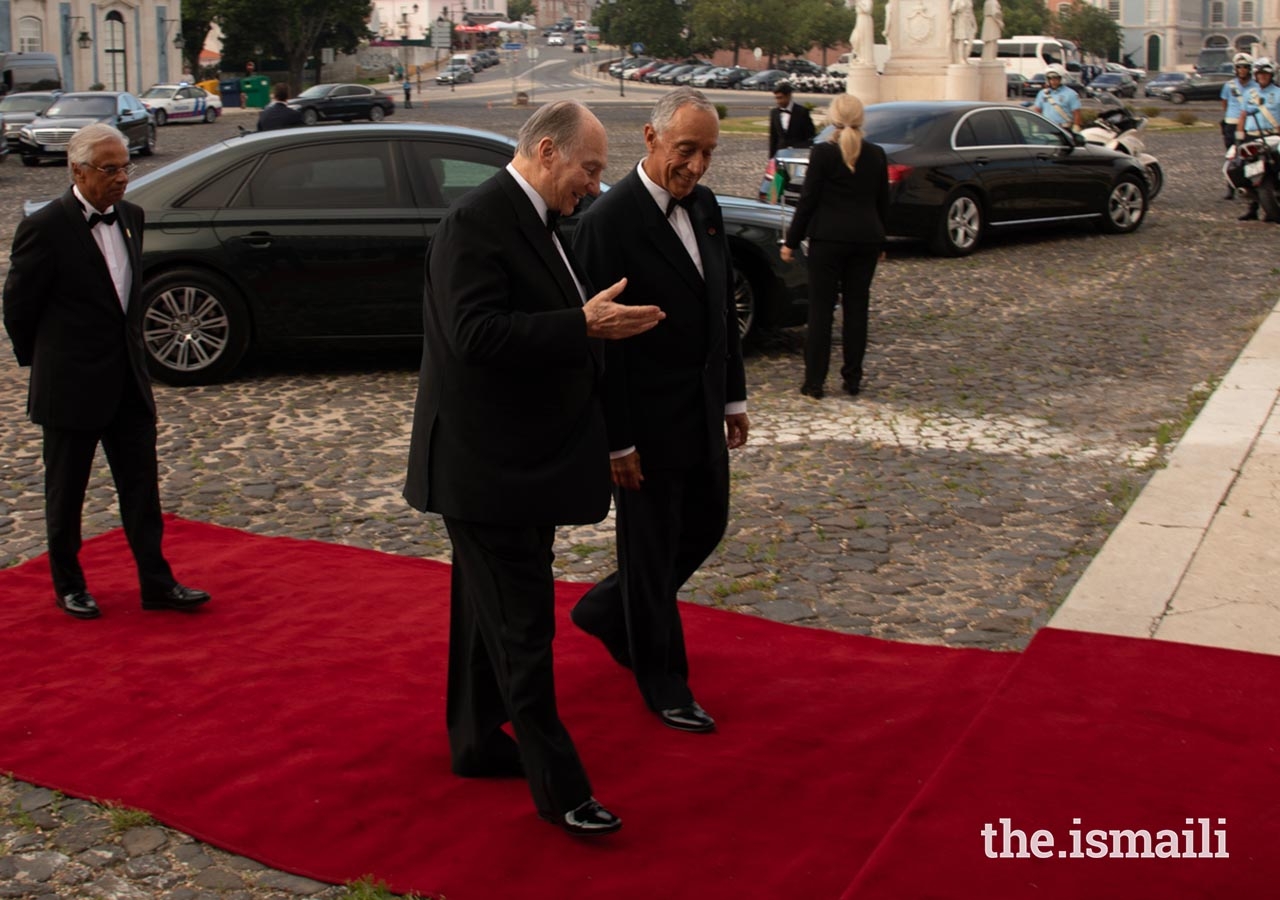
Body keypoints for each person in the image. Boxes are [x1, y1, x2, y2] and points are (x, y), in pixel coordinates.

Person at [402, 100, 665, 837]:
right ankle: (563, 790)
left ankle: (477, 741)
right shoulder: (475, 223)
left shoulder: (542, 221)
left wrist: (589, 324)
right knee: (523, 630)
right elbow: (475, 334)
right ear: (547, 152)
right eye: (587, 169)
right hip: (486, 471)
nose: (593, 186)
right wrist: (581, 324)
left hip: (520, 462)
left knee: (482, 615)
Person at [570, 87, 749, 736]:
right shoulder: (606, 223)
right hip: (641, 426)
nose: (697, 166)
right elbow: (598, 349)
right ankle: (665, 682)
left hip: (701, 411)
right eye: (686, 150)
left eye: (707, 152)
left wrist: (733, 395)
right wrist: (615, 443)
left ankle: (605, 610)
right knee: (649, 552)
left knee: (706, 525)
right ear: (649, 139)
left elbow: (718, 308)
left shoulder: (704, 208)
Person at [2, 124, 210, 621]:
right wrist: (48, 364)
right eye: (109, 168)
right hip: (70, 386)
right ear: (77, 171)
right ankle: (68, 585)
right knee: (66, 492)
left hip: (127, 383)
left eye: (124, 167)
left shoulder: (133, 217)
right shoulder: (46, 227)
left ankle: (157, 584)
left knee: (142, 491)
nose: (121, 177)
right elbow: (18, 308)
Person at [780, 93, 889, 399]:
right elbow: (883, 202)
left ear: (833, 118)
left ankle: (814, 382)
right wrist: (882, 239)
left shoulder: (823, 154)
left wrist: (790, 241)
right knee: (857, 311)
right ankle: (852, 379)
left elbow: (808, 201)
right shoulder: (877, 154)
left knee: (821, 312)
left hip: (827, 240)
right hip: (866, 239)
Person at [1235, 57, 1280, 223]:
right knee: (1249, 170)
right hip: (1252, 135)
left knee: (1275, 167)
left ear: (1271, 75)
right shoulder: (1249, 94)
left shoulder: (1278, 93)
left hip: (1273, 135)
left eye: (1265, 74)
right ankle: (1252, 208)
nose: (1262, 76)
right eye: (1259, 74)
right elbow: (1242, 116)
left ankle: (1272, 205)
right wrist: (1239, 138)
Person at [1221, 53, 1258, 200]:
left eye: (1245, 67)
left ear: (1250, 69)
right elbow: (1224, 103)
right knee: (1231, 156)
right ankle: (1231, 187)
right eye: (1239, 67)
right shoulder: (1229, 85)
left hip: (1249, 124)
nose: (1242, 70)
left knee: (1249, 155)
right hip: (1231, 123)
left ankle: (1250, 187)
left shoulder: (1256, 86)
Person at [768, 82, 816, 161]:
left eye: (780, 98)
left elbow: (810, 135)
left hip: (798, 154)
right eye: (776, 98)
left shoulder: (802, 112)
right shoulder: (774, 113)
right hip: (780, 153)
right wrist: (771, 158)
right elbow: (773, 137)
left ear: (789, 96)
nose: (778, 101)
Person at [1031, 65, 1082, 131]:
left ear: (1062, 78)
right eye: (1050, 78)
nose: (1053, 81)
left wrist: (1076, 126)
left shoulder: (1071, 94)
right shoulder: (1042, 93)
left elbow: (1076, 113)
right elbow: (1037, 111)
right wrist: (1035, 126)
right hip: (1046, 129)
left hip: (1064, 129)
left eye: (1055, 78)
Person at [950, 0, 977, 64]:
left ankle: (965, 56)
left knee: (971, 39)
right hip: (960, 21)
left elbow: (971, 13)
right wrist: (958, 9)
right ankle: (961, 59)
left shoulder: (969, 1)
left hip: (968, 21)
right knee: (961, 40)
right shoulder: (957, 1)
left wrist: (974, 24)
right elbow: (952, 11)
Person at [851, 0, 875, 65]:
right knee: (854, 39)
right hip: (859, 19)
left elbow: (867, 10)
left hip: (865, 19)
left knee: (864, 39)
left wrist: (859, 3)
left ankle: (864, 58)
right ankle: (859, 56)